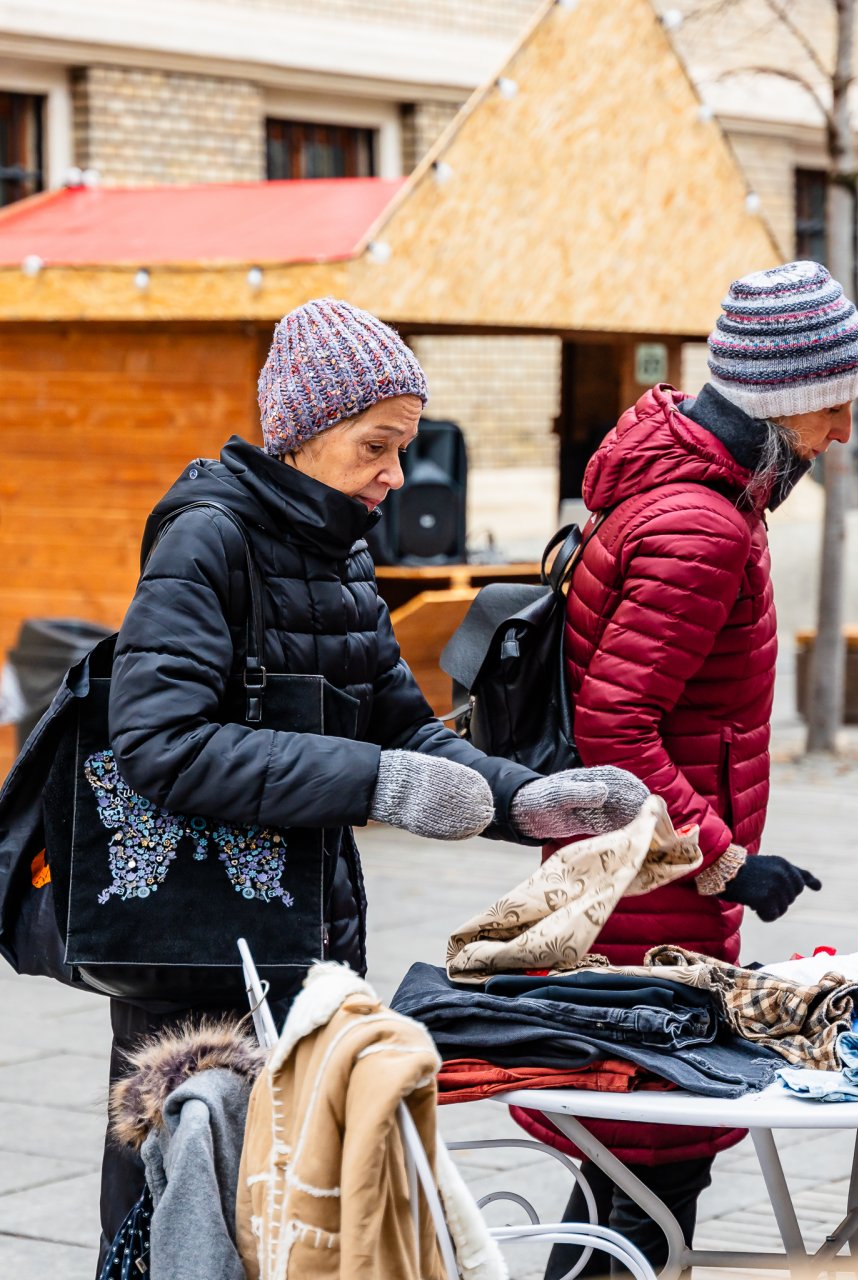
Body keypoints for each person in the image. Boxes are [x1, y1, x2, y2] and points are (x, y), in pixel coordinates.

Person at [96, 297, 648, 1270]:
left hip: (305, 936)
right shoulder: (206, 537)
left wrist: (526, 799)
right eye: (376, 446)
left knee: (286, 1216)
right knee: (182, 1224)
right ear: (304, 434)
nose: (396, 474)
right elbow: (160, 740)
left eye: (404, 445)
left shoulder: (341, 547)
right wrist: (376, 782)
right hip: (195, 954)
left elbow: (401, 720)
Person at [516, 260, 858, 1276]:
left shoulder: (690, 490)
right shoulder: (701, 524)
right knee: (645, 1179)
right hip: (648, 900)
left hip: (632, 880)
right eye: (834, 406)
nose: (841, 430)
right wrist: (726, 860)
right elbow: (615, 724)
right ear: (783, 395)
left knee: (623, 1182)